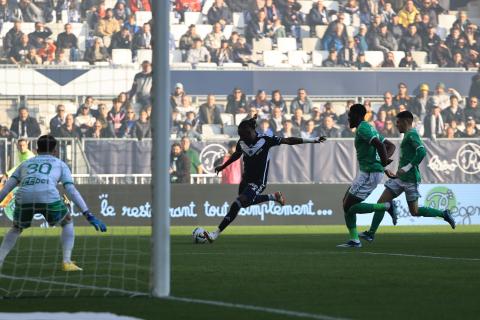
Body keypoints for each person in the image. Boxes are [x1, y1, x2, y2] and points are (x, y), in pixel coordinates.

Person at [203, 116, 326, 242]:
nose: (241, 137)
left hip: (258, 181)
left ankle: (215, 234)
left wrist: (313, 140)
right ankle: (273, 197)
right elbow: (236, 155)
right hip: (246, 180)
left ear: (251, 131)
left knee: (238, 203)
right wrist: (223, 166)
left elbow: (288, 141)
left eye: (243, 134)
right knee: (243, 204)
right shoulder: (242, 142)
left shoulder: (266, 140)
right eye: (240, 135)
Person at [0, 135, 107, 272]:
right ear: (55, 151)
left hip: (24, 196)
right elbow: (71, 190)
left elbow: (7, 188)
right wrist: (88, 214)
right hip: (48, 196)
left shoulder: (24, 164)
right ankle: (66, 262)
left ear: (37, 150)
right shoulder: (60, 164)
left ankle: (0, 260)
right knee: (67, 221)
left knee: (16, 228)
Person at [359, 111, 455, 242]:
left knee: (414, 212)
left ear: (405, 122)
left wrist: (407, 167)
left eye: (398, 122)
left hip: (411, 180)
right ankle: (371, 233)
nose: (396, 125)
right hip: (399, 179)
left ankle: (443, 214)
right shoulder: (407, 135)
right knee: (381, 202)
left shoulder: (412, 134)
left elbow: (422, 151)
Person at [338, 104, 396, 248]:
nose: (348, 118)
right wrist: (383, 164)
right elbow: (391, 146)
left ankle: (386, 206)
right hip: (367, 172)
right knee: (346, 203)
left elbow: (380, 145)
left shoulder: (363, 129)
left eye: (350, 115)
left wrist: (383, 163)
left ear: (357, 115)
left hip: (370, 173)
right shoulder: (369, 128)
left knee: (349, 206)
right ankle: (354, 240)